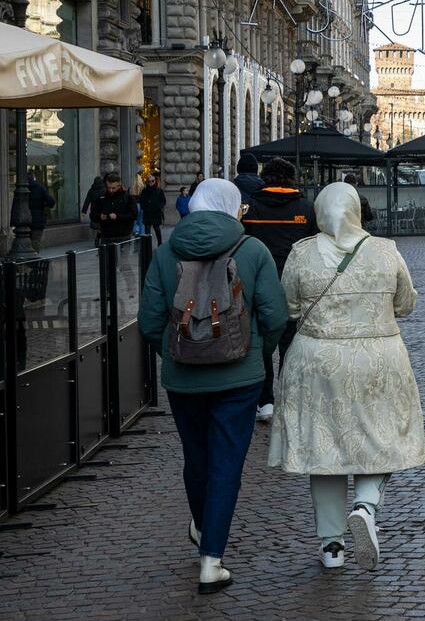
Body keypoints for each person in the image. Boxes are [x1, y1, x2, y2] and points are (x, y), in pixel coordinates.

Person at [137, 178, 287, 594]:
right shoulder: (252, 250)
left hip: (183, 379)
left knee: (196, 459)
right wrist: (255, 353)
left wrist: (178, 356)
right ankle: (211, 559)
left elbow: (149, 321)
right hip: (239, 377)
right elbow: (275, 316)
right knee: (226, 465)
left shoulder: (166, 252)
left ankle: (204, 527)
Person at [268, 182, 425, 572]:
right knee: (384, 434)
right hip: (378, 357)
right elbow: (405, 303)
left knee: (324, 449)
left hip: (317, 361)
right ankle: (366, 506)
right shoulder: (384, 249)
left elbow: (287, 306)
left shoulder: (302, 253)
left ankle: (331, 545)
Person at [243, 157, 318, 424]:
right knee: (290, 344)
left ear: (266, 178)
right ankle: (289, 397)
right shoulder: (306, 208)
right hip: (295, 284)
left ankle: (265, 402)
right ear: (292, 178)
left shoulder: (251, 208)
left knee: (261, 344)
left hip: (258, 284)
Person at [12, 172, 55, 252]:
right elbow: (51, 202)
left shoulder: (20, 189)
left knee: (24, 244)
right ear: (34, 178)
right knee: (35, 242)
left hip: (23, 221)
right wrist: (43, 204)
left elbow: (14, 207)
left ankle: (26, 261)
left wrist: (13, 222)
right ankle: (34, 260)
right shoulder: (40, 188)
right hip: (37, 221)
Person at [90, 172, 138, 244]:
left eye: (113, 188)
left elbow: (134, 215)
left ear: (119, 186)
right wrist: (100, 216)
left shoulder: (128, 198)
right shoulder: (101, 198)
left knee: (121, 255)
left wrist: (117, 216)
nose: (111, 190)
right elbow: (92, 215)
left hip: (123, 237)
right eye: (109, 187)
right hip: (106, 237)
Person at [139, 174, 167, 245]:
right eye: (149, 181)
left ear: (155, 181)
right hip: (147, 214)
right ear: (147, 182)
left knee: (157, 230)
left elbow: (163, 201)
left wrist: (158, 207)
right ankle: (147, 246)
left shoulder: (159, 191)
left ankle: (160, 244)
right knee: (147, 232)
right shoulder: (144, 191)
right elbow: (141, 201)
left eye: (152, 181)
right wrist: (144, 207)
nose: (151, 182)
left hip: (156, 213)